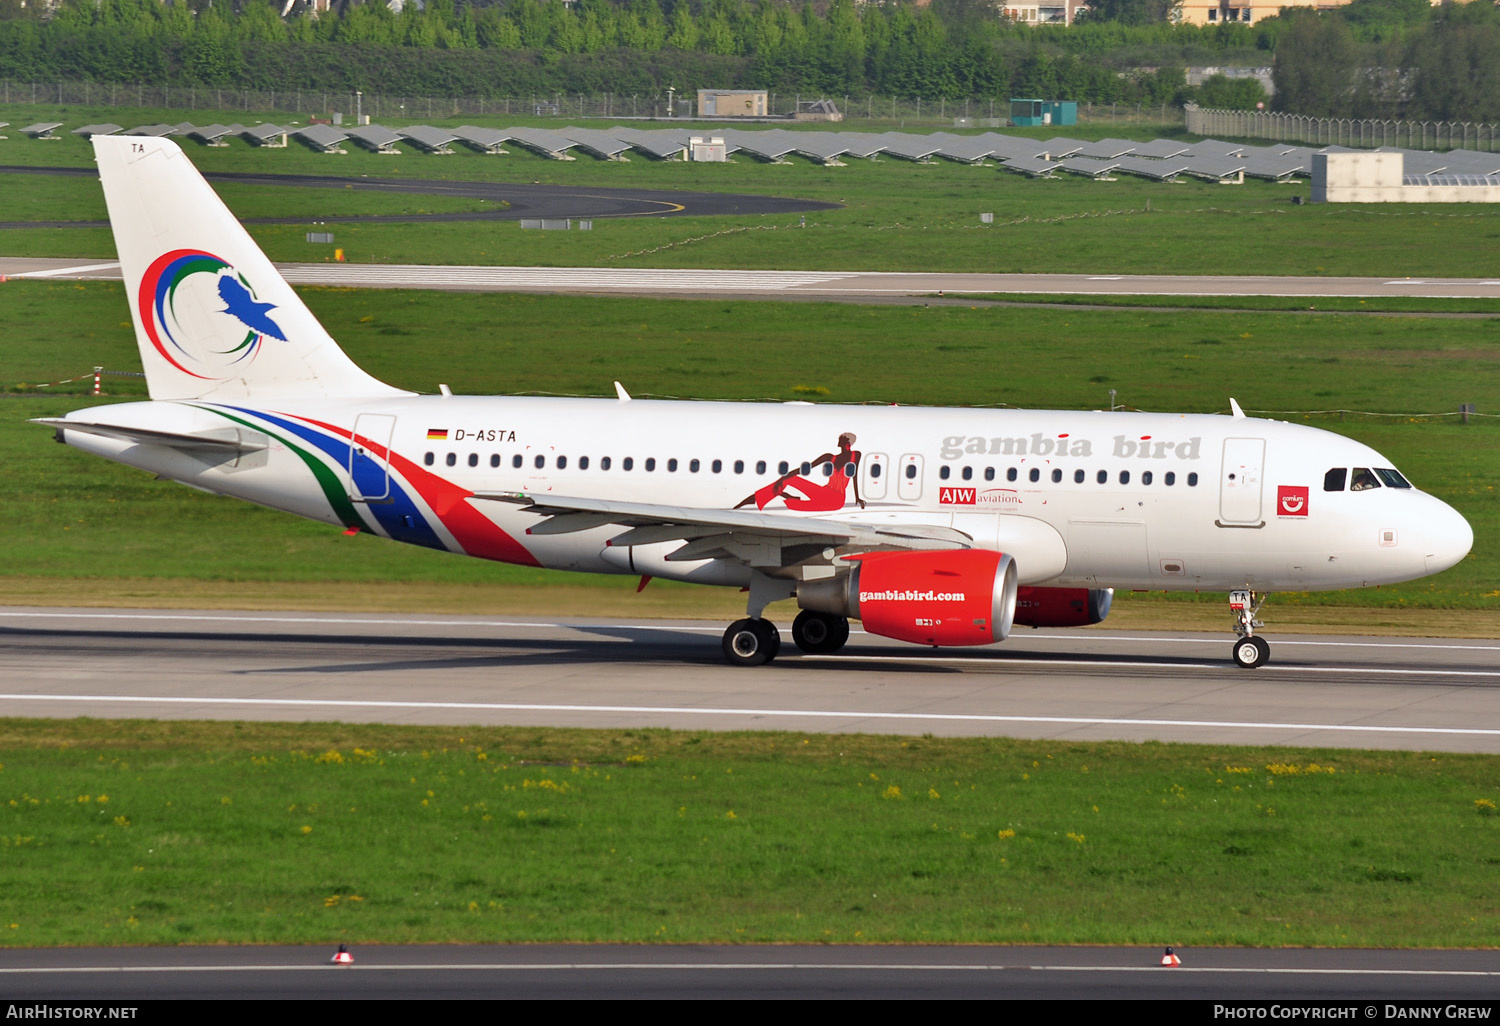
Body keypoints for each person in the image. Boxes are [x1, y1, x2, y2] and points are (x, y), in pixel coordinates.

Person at [736, 432, 864, 512]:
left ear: (846, 443)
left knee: (792, 503)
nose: (838, 442)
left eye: (840, 440)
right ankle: (769, 496)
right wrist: (783, 479)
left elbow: (854, 476)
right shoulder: (830, 457)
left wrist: (857, 497)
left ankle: (773, 496)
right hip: (825, 493)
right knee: (791, 491)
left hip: (835, 499)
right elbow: (804, 469)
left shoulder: (855, 455)